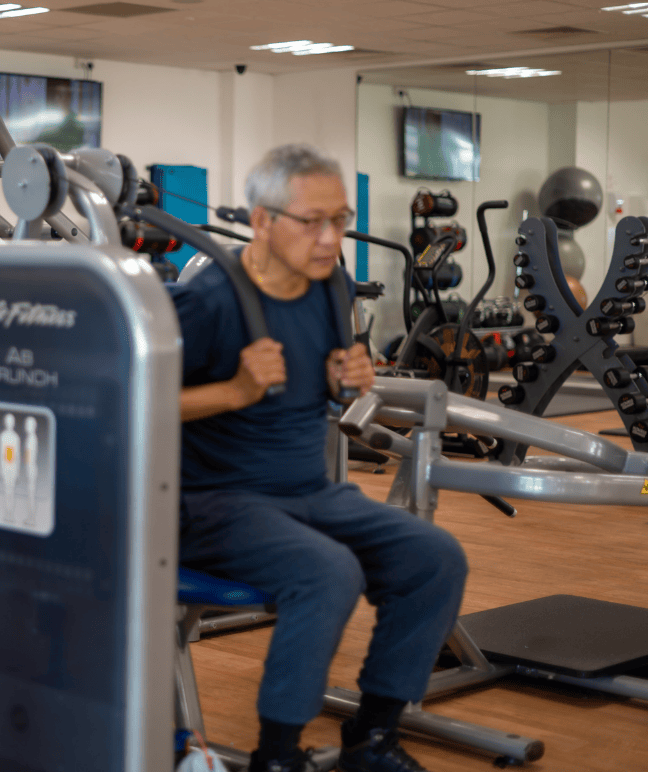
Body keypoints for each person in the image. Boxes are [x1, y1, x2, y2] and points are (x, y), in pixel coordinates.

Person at [170, 144, 468, 772]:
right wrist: (234, 392)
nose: (332, 237)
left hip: (308, 490)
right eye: (312, 222)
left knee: (433, 557)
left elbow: (327, 377)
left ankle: (374, 736)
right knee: (328, 573)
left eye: (341, 218)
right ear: (261, 222)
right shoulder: (210, 297)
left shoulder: (331, 284)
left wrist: (345, 376)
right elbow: (130, 400)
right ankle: (276, 757)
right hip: (213, 501)